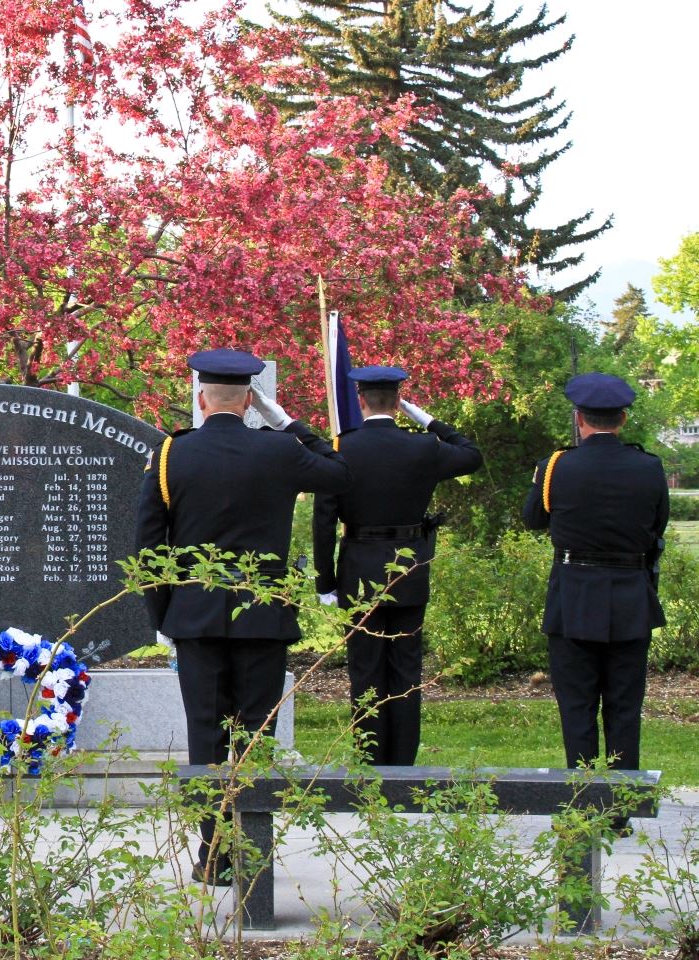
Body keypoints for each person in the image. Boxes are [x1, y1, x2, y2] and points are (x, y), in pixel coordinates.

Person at [135, 349, 350, 885]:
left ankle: (213, 857)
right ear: (251, 400)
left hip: (197, 616)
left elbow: (147, 544)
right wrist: (290, 423)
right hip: (263, 615)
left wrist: (166, 614)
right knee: (256, 735)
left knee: (205, 734)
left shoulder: (170, 455)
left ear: (203, 400)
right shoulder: (278, 450)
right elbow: (340, 472)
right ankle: (253, 852)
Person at [311, 367, 482, 766]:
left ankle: (370, 763)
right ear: (399, 402)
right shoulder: (423, 447)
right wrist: (427, 419)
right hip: (409, 569)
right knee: (406, 670)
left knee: (365, 669)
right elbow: (471, 454)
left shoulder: (342, 447)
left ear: (361, 401)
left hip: (358, 569)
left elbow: (324, 520)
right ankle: (402, 765)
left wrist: (325, 579)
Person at [522, 373, 667, 782]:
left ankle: (585, 803)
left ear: (579, 418)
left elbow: (533, 519)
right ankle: (619, 807)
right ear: (622, 419)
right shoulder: (649, 466)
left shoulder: (555, 466)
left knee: (576, 706)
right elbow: (657, 527)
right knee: (624, 707)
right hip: (630, 597)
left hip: (574, 595)